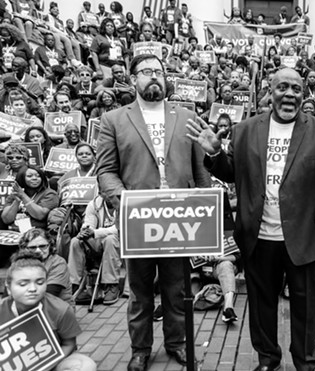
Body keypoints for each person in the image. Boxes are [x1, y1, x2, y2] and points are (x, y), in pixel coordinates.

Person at [186, 67, 315, 371]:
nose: (290, 94)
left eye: (297, 89)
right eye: (283, 87)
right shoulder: (244, 129)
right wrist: (215, 155)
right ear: (270, 92)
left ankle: (305, 363)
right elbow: (232, 172)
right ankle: (269, 360)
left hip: (307, 239)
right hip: (259, 239)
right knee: (261, 308)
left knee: (307, 311)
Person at [96, 54, 212, 370]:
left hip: (180, 220)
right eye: (146, 72)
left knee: (178, 288)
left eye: (159, 72)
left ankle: (177, 343)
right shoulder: (115, 120)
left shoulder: (185, 115)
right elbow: (105, 170)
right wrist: (123, 200)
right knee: (140, 290)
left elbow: (200, 169)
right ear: (133, 79)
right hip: (139, 221)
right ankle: (140, 348)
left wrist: (207, 203)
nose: (154, 77)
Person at [0, 250, 96, 371]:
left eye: (40, 282)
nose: (33, 289)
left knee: (85, 365)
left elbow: (69, 344)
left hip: (52, 364)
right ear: (9, 288)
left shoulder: (61, 310)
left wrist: (45, 367)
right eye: (23, 284)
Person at [68, 189, 120, 305]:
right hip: (97, 241)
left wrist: (95, 233)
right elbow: (89, 223)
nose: (109, 195)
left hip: (119, 241)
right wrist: (86, 231)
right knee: (75, 241)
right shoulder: (94, 204)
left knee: (110, 239)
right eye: (105, 192)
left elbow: (119, 228)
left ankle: (111, 284)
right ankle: (74, 284)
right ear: (100, 193)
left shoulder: (123, 203)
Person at [17, 228, 72, 303]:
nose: (38, 251)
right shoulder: (19, 263)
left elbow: (49, 295)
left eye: (43, 246)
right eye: (32, 248)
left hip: (54, 308)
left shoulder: (58, 263)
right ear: (25, 248)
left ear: (50, 246)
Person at [1, 165, 59, 231]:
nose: (35, 178)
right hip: (13, 232)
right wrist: (16, 202)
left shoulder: (50, 194)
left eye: (38, 176)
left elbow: (40, 215)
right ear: (21, 178)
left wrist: (23, 196)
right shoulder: (15, 193)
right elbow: (6, 219)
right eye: (29, 176)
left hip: (37, 233)